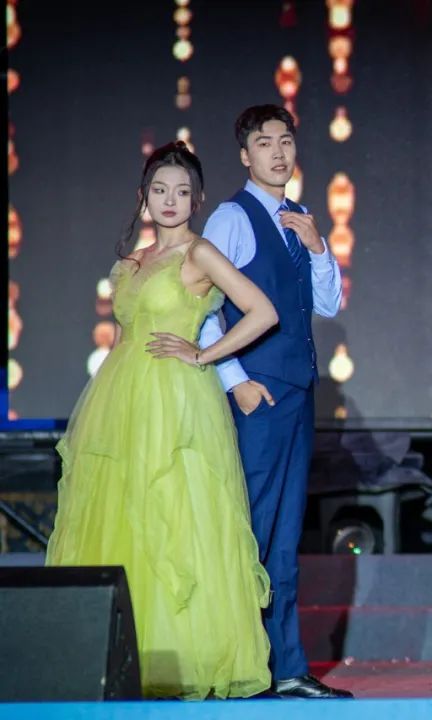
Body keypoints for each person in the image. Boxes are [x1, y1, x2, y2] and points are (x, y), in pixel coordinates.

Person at [47, 142, 278, 699]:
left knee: (174, 516)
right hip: (120, 399)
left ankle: (183, 656)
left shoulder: (199, 255)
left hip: (175, 400)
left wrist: (204, 354)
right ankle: (119, 657)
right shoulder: (131, 263)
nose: (169, 200)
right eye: (159, 190)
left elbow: (262, 311)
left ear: (197, 200)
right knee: (121, 515)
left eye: (181, 192)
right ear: (143, 197)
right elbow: (124, 337)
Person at [197, 105, 349, 699]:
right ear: (245, 155)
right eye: (265, 143)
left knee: (286, 535)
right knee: (254, 530)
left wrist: (317, 246)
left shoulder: (299, 217)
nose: (279, 153)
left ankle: (286, 666)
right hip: (258, 393)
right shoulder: (232, 217)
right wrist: (234, 379)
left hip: (298, 391)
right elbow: (202, 307)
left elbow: (328, 304)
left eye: (286, 141)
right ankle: (245, 666)